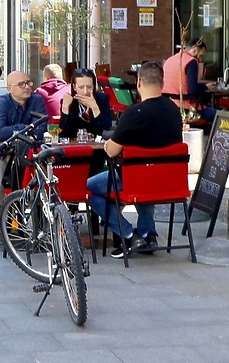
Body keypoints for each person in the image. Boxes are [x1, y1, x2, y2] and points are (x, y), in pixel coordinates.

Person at [86, 61, 183, 258]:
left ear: (138, 83)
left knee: (87, 188)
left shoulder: (134, 113)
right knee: (145, 173)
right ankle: (148, 234)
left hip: (136, 181)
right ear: (162, 83)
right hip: (167, 181)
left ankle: (128, 234)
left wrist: (107, 144)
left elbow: (112, 151)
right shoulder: (174, 111)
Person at [0, 71, 47, 209]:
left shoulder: (37, 100)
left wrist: (14, 131)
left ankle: (34, 219)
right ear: (9, 88)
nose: (27, 87)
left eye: (29, 83)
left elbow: (40, 131)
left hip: (28, 157)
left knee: (44, 182)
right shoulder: (1, 103)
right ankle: (5, 214)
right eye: (21, 84)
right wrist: (25, 128)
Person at [162, 37, 216, 122]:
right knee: (219, 116)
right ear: (195, 50)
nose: (200, 59)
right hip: (186, 106)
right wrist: (206, 87)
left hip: (168, 105)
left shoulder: (170, 60)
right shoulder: (191, 62)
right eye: (200, 55)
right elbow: (193, 89)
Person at [59, 68, 113, 139]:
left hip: (98, 145)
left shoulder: (102, 99)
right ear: (74, 87)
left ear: (93, 86)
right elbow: (62, 134)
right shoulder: (68, 101)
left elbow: (106, 128)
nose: (85, 91)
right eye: (81, 87)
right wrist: (65, 109)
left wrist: (94, 107)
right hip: (75, 145)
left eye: (89, 87)